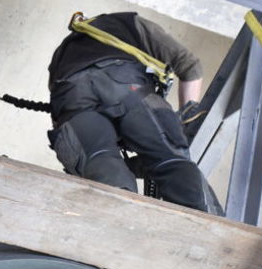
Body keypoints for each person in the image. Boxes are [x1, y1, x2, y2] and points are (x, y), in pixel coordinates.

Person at [47, 12, 218, 214]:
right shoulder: (128, 23)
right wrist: (186, 116)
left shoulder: (62, 53)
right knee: (171, 161)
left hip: (71, 96)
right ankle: (210, 226)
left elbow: (64, 118)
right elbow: (190, 67)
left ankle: (119, 226)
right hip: (128, 89)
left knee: (101, 165)